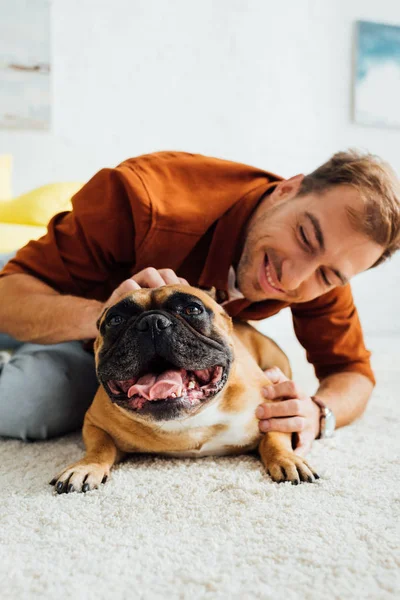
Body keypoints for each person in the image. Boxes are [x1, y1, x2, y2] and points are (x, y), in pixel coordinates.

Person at [0, 150, 399, 456]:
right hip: (55, 297)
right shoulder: (141, 199)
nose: (293, 278)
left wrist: (318, 412)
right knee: (32, 401)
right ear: (287, 189)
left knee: (36, 403)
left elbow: (352, 372)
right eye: (305, 238)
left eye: (328, 275)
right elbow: (9, 298)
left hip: (130, 359)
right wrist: (107, 318)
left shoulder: (326, 267)